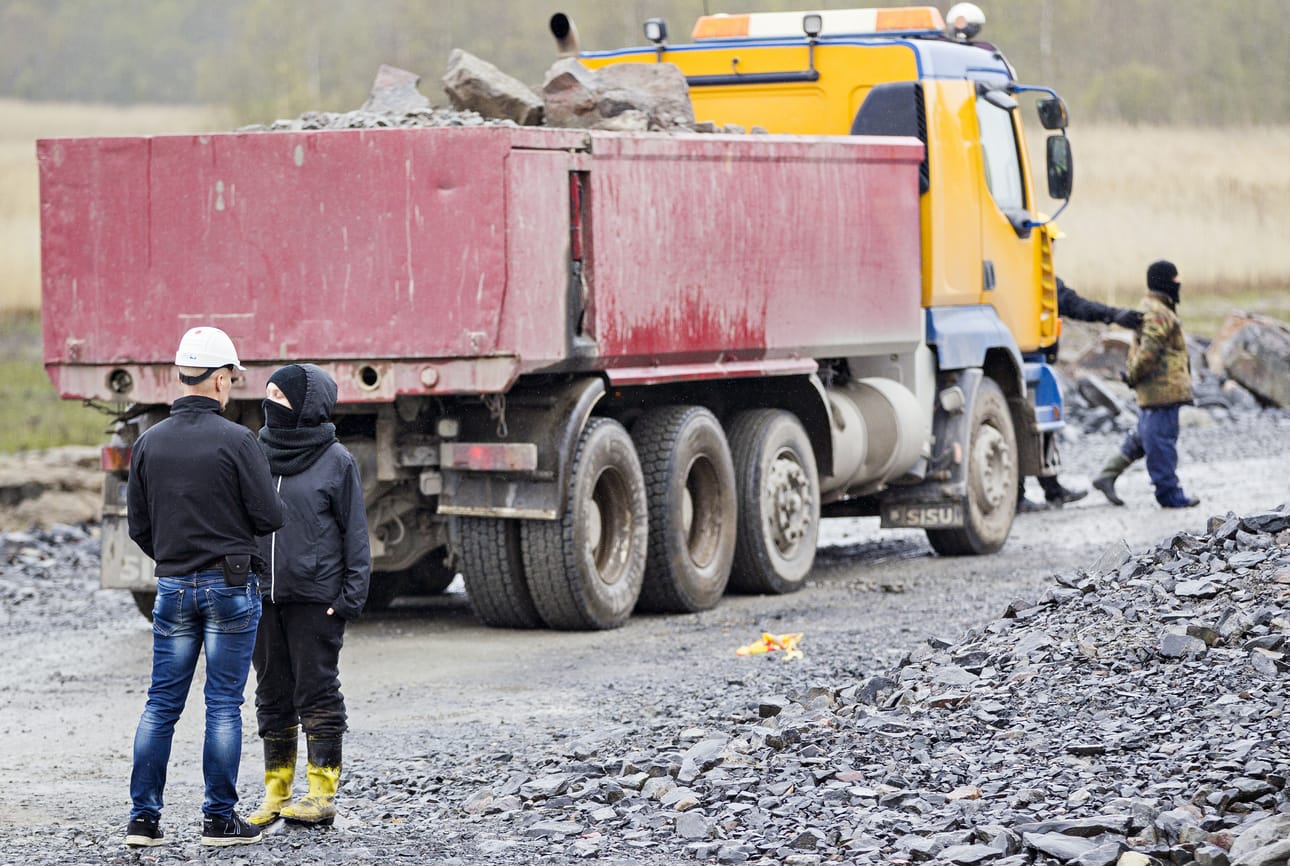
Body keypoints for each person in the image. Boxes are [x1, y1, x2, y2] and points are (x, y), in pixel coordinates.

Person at [125, 326, 285, 848]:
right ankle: (219, 821)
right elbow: (268, 515)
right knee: (222, 704)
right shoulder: (238, 441)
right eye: (231, 378)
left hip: (171, 587)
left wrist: (175, 560)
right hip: (230, 587)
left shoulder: (148, 443)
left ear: (180, 376)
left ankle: (143, 822)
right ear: (219, 380)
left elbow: (139, 526)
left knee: (160, 705)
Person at [247, 363, 371, 828]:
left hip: (316, 599)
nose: (270, 403)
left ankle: (321, 793)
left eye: (280, 396)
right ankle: (276, 794)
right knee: (271, 693)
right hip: (262, 598)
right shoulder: (256, 452)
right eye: (269, 394)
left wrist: (349, 598)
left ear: (306, 405)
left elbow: (355, 534)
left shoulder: (336, 460)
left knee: (316, 692)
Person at [1017, 277, 1145, 512]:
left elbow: (1071, 303)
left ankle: (1051, 490)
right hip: (1025, 359)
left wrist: (1114, 314)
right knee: (1027, 424)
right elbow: (1074, 305)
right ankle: (1021, 495)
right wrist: (1114, 315)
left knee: (1037, 425)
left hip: (1026, 358)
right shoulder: (1035, 273)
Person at [1092, 260, 1200, 509]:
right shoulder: (1158, 312)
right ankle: (1169, 494)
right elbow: (1149, 350)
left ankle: (1107, 475)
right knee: (1161, 441)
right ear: (1164, 282)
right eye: (1175, 279)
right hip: (1161, 390)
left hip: (1158, 390)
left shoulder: (1155, 307)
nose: (1179, 284)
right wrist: (1133, 375)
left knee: (1144, 436)